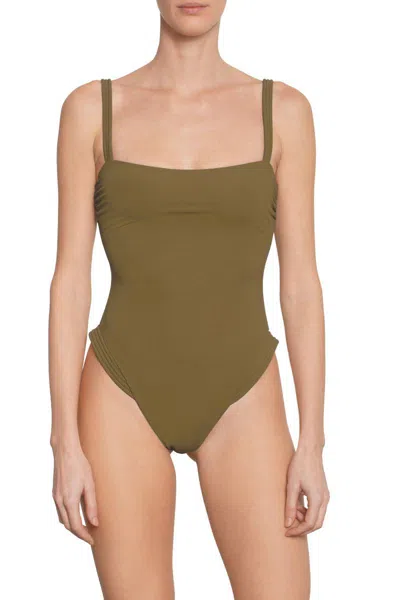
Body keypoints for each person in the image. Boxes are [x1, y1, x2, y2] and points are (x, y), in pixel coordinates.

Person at [48, 1, 329, 598]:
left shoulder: (285, 113)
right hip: (121, 391)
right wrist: (63, 442)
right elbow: (70, 281)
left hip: (243, 391)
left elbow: (301, 284)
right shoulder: (90, 111)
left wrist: (312, 441)